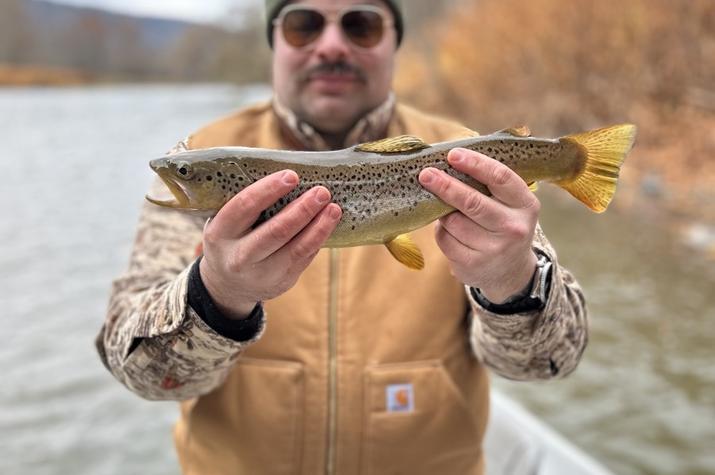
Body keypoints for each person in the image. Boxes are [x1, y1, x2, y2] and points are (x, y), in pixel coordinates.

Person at [96, 0, 588, 473]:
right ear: (275, 41)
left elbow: (550, 362)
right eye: (304, 24)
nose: (331, 45)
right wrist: (216, 297)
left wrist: (514, 284)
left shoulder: (467, 158)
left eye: (362, 24)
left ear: (395, 40)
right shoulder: (201, 161)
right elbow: (139, 371)